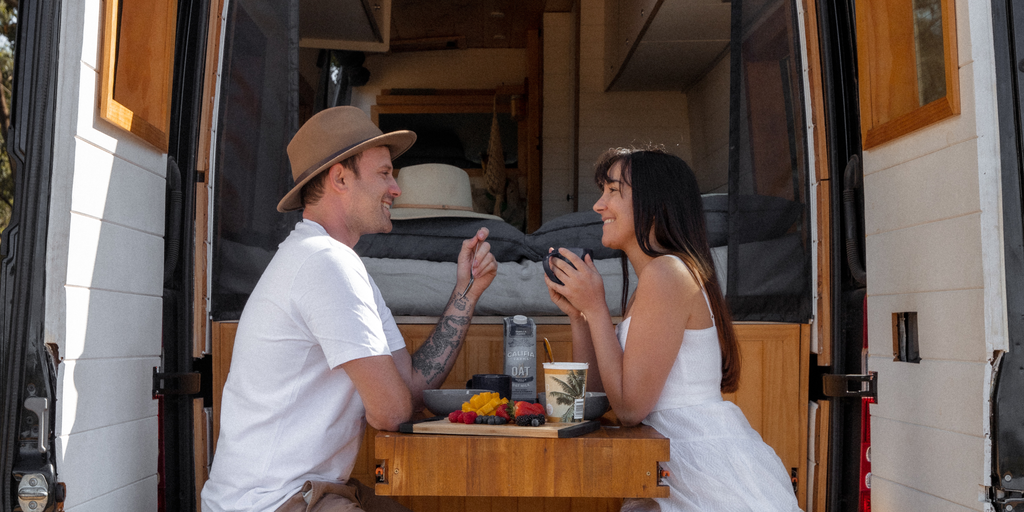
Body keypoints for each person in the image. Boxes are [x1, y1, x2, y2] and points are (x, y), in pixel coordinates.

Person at [201, 106, 498, 512]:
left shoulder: (338, 263)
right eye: (384, 173)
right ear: (340, 178)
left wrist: (466, 294)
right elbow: (392, 412)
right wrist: (390, 395)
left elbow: (410, 388)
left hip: (310, 493)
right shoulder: (324, 263)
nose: (395, 189)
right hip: (272, 503)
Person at [544, 148, 801, 512]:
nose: (599, 205)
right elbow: (597, 398)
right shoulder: (653, 280)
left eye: (613, 191)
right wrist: (580, 316)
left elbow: (630, 409)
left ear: (654, 204)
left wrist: (597, 307)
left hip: (703, 472)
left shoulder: (667, 274)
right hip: (672, 463)